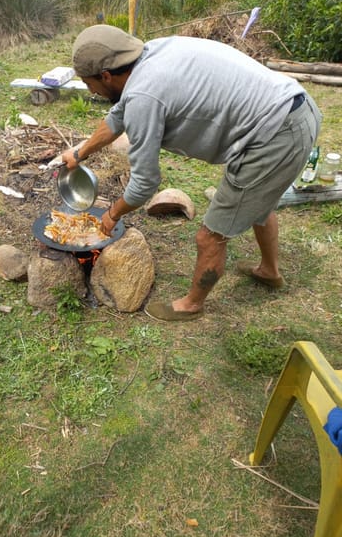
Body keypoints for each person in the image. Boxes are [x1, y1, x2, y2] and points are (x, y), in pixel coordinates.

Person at [61, 25, 322, 321]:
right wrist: (79, 153)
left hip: (275, 135)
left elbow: (145, 183)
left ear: (106, 75)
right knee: (259, 203)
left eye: (88, 84)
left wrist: (112, 215)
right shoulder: (150, 52)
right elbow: (115, 118)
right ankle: (269, 272)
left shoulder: (143, 97)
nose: (90, 91)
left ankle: (191, 305)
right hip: (293, 109)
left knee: (210, 236)